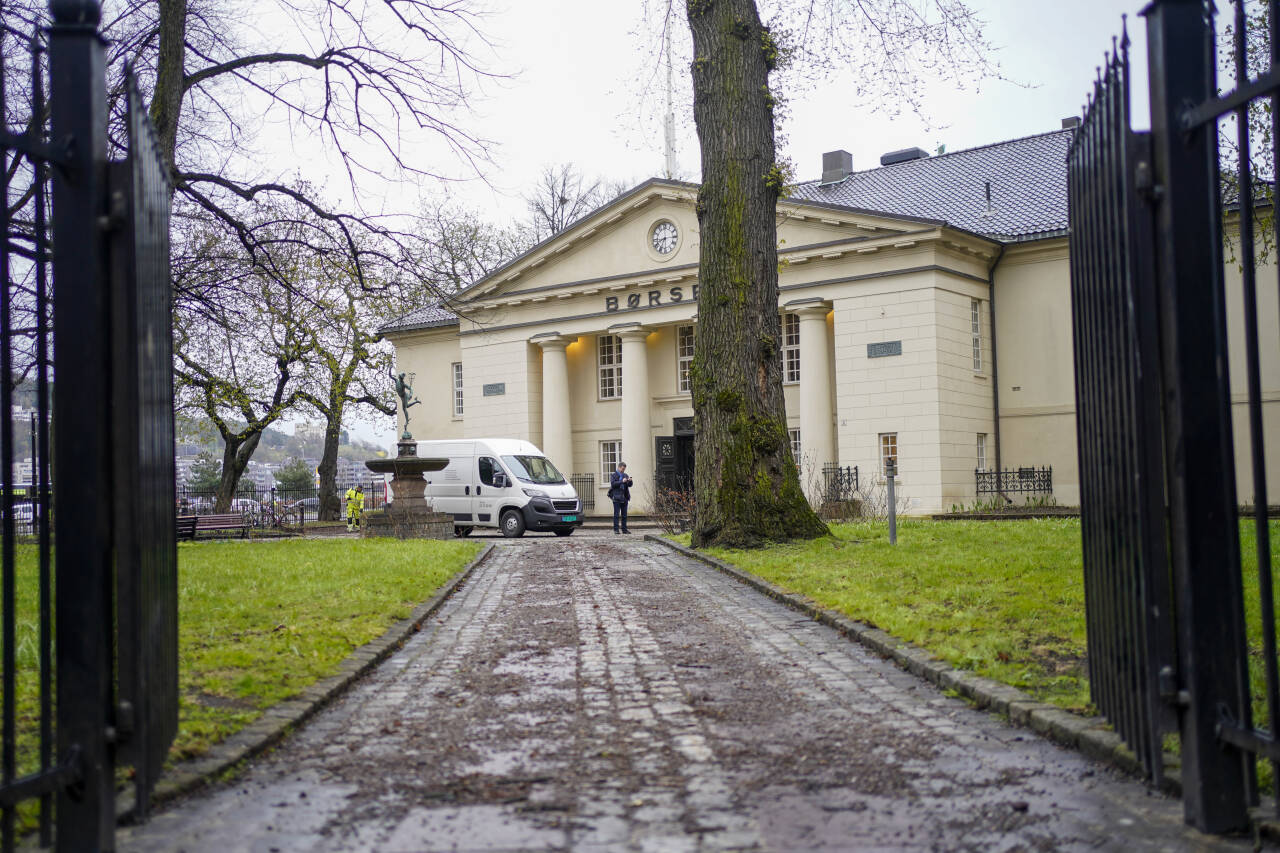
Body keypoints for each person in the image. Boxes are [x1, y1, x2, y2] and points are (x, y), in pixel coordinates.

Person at [608, 462, 633, 535]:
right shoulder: (613, 475)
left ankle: (624, 530)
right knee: (616, 515)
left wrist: (630, 481)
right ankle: (616, 530)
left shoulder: (625, 475)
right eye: (622, 469)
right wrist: (621, 481)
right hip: (616, 497)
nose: (623, 470)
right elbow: (613, 484)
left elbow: (629, 485)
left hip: (624, 497)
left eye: (624, 469)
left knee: (624, 515)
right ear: (619, 467)